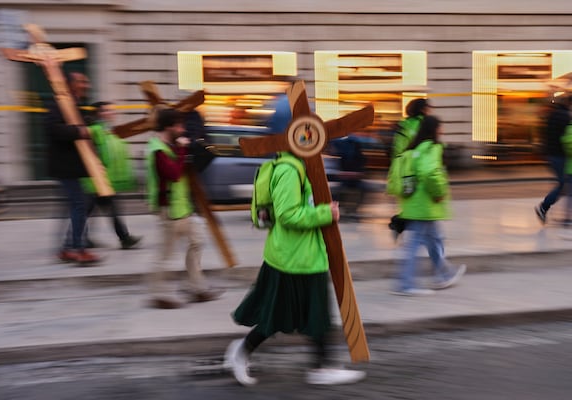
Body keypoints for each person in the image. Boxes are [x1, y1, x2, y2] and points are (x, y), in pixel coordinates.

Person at [224, 151, 366, 386]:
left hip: (302, 256)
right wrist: (325, 213)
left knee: (315, 315)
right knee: (280, 316)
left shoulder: (301, 166)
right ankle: (242, 351)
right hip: (293, 259)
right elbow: (287, 215)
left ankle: (321, 366)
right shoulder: (290, 170)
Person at [145, 108, 221, 309]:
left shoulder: (170, 144)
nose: (182, 129)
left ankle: (195, 286)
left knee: (197, 240)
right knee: (166, 254)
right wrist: (182, 150)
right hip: (169, 210)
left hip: (183, 208)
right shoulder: (157, 149)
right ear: (168, 126)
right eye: (178, 125)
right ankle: (158, 294)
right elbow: (174, 174)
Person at [392, 115, 466, 296]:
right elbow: (429, 172)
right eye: (440, 127)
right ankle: (406, 284)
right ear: (434, 130)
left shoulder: (413, 148)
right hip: (425, 204)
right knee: (415, 244)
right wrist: (439, 192)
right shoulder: (431, 148)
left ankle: (444, 274)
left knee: (434, 240)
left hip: (414, 203)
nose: (442, 131)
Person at [46, 71, 100, 265]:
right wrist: (80, 131)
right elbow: (53, 129)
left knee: (80, 204)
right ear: (70, 84)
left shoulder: (75, 106)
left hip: (73, 167)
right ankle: (77, 249)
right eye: (82, 81)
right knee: (79, 205)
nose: (86, 85)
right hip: (64, 166)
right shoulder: (58, 104)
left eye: (86, 81)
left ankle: (68, 248)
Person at [79, 101, 142, 250]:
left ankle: (82, 238)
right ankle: (124, 238)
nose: (112, 113)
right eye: (108, 110)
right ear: (100, 114)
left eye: (112, 110)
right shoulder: (94, 131)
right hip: (96, 179)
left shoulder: (109, 132)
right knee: (95, 211)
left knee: (92, 211)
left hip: (105, 180)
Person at [388, 98, 431, 240]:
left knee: (411, 203)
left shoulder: (403, 125)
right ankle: (400, 223)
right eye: (428, 108)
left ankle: (400, 224)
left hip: (402, 171)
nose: (430, 110)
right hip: (417, 172)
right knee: (420, 205)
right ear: (423, 109)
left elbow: (396, 150)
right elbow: (425, 149)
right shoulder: (423, 124)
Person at [535, 94, 572, 224]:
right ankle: (544, 207)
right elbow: (567, 139)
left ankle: (547, 208)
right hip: (560, 156)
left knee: (565, 184)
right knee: (564, 185)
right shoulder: (565, 117)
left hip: (551, 154)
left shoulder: (553, 115)